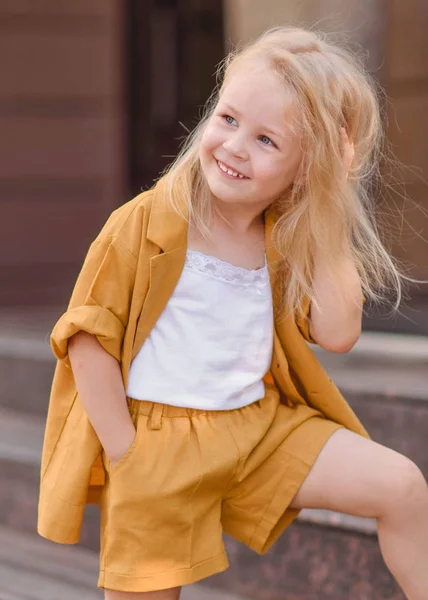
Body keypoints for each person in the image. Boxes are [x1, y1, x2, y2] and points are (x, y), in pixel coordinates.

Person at [38, 26, 428, 600]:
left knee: (402, 486)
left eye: (267, 140)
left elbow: (339, 334)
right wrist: (127, 451)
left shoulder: (286, 239)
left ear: (307, 167)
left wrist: (334, 195)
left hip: (259, 427)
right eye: (228, 119)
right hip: (158, 440)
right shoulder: (143, 222)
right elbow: (87, 339)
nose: (236, 146)